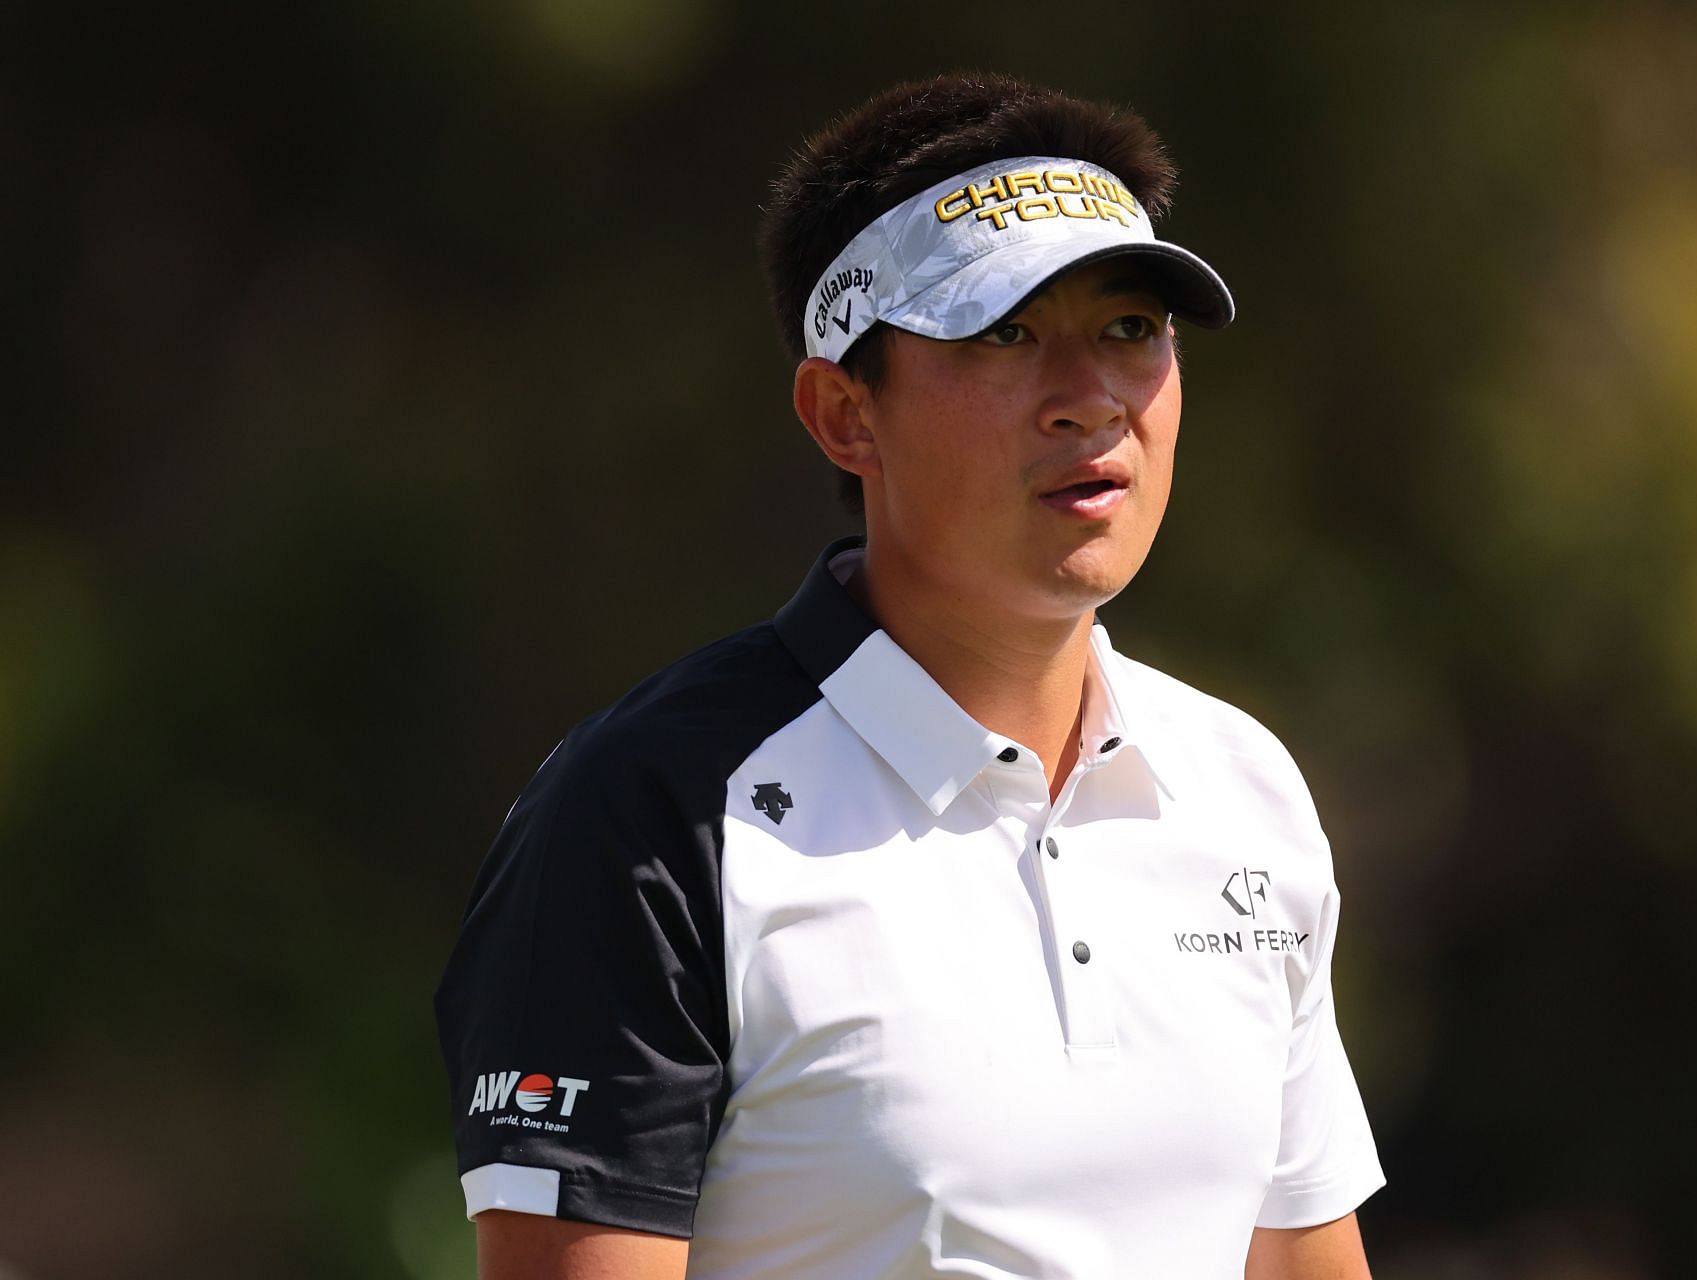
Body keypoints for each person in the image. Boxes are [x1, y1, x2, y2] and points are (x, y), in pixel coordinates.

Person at [435, 72, 1385, 1280]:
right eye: (1004, 330)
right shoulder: (647, 812)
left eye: (1130, 328)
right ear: (844, 413)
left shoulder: (1247, 788)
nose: (1088, 396)